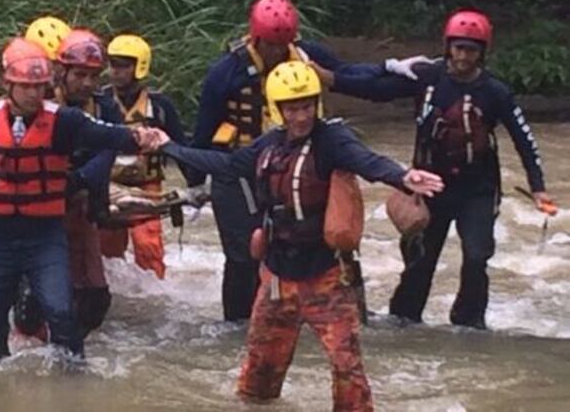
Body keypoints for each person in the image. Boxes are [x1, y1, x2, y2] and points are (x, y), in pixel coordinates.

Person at [152, 61, 444, 410]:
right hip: (278, 276)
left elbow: (366, 160)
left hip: (327, 277)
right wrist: (169, 147)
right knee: (259, 372)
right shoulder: (269, 145)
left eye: (307, 106)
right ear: (278, 110)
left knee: (346, 365)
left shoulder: (332, 140)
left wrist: (402, 177)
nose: (302, 116)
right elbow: (228, 166)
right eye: (292, 109)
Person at [317, 8, 552, 329]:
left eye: (471, 50)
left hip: (478, 190)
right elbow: (378, 90)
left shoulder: (495, 92)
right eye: (458, 48)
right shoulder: (427, 77)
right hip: (429, 186)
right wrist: (331, 80)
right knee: (420, 260)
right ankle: (404, 319)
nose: (463, 56)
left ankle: (469, 323)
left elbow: (524, 138)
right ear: (448, 46)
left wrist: (538, 187)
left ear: (482, 53)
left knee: (476, 257)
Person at [189, 0, 414, 322]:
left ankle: (332, 315)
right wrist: (195, 185)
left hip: (300, 166)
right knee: (244, 257)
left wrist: (388, 67)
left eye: (283, 45)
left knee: (332, 243)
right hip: (242, 174)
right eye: (271, 45)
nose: (278, 53)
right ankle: (238, 324)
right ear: (255, 38)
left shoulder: (308, 56)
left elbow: (348, 73)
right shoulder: (226, 72)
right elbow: (203, 131)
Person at [0, 37, 151, 359]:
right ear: (8, 84)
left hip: (44, 235)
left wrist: (140, 137)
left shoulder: (64, 120)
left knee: (60, 311)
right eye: (26, 87)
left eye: (39, 86)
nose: (34, 94)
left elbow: (105, 134)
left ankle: (71, 374)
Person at [15, 29, 123, 340]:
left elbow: (108, 151)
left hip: (82, 201)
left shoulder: (105, 108)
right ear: (62, 72)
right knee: (33, 297)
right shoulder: (40, 105)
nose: (87, 83)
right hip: (40, 207)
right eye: (79, 75)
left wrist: (79, 180)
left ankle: (69, 344)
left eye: (93, 76)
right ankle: (31, 337)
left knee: (95, 298)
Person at [99, 33, 190, 279]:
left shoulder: (159, 106)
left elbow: (179, 147)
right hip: (110, 187)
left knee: (148, 247)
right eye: (113, 64)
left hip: (148, 187)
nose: (115, 71)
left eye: (123, 66)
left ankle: (155, 291)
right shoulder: (101, 102)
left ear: (139, 67)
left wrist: (195, 184)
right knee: (108, 253)